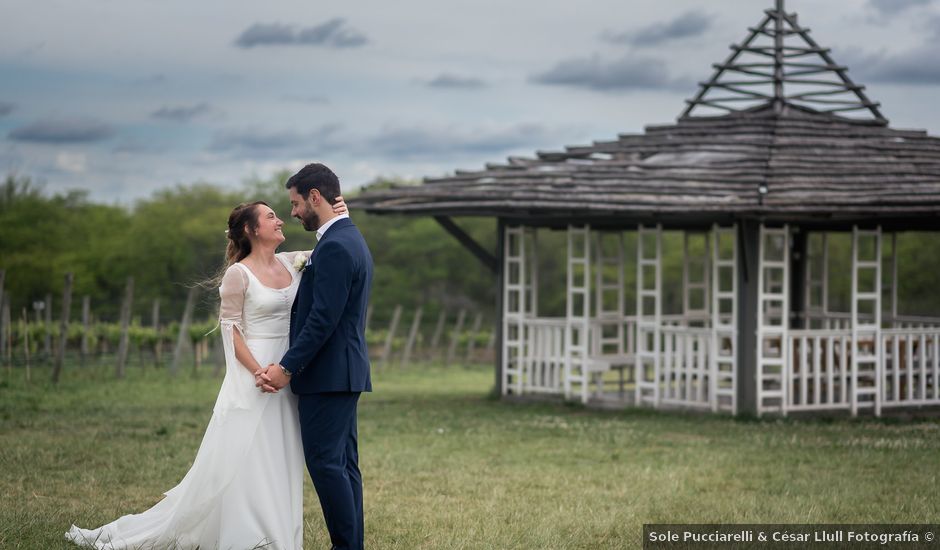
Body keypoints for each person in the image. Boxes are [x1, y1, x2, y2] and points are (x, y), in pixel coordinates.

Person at [65, 196, 348, 549]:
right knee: (247, 453)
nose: (281, 221)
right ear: (250, 229)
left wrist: (340, 215)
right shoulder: (238, 274)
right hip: (257, 372)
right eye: (271, 217)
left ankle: (277, 532)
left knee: (281, 451)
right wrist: (260, 372)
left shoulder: (294, 262)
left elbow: (331, 245)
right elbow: (231, 329)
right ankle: (249, 533)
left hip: (287, 370)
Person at [255, 163, 373, 550]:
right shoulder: (347, 236)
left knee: (326, 465)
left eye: (295, 203)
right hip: (344, 372)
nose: (292, 212)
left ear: (315, 197)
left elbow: (323, 318)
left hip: (328, 375)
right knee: (343, 466)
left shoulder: (337, 245)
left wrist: (288, 367)